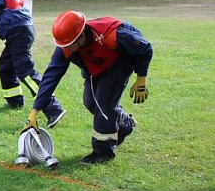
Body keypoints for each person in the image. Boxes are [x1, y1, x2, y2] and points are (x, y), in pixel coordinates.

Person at [26, 10, 153, 164]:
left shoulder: (112, 35)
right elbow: (51, 77)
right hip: (95, 65)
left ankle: (102, 153)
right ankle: (125, 124)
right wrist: (35, 111)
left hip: (119, 63)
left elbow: (144, 48)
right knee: (90, 102)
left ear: (81, 36)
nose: (67, 49)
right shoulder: (66, 45)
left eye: (69, 45)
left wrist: (141, 78)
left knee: (103, 103)